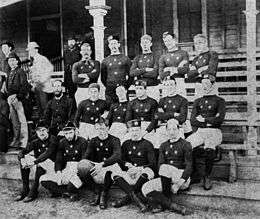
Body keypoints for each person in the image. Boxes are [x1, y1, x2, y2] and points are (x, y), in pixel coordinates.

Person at [141, 119, 192, 215]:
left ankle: (162, 203)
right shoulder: (164, 145)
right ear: (166, 131)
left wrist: (179, 183)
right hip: (166, 180)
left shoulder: (185, 144)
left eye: (174, 129)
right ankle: (173, 206)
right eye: (169, 129)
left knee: (165, 168)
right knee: (145, 188)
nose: (171, 132)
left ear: (179, 130)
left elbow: (189, 166)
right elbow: (160, 165)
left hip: (181, 178)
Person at [186, 75, 226, 190]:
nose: (205, 87)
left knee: (210, 146)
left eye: (207, 84)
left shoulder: (220, 101)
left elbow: (220, 119)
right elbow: (193, 120)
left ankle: (207, 176)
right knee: (187, 145)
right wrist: (209, 122)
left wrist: (204, 119)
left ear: (213, 85)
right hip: (201, 131)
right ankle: (194, 173)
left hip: (215, 131)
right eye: (203, 84)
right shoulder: (198, 101)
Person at [111, 119, 156, 212]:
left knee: (148, 172)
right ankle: (137, 199)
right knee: (114, 174)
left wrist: (139, 169)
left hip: (142, 172)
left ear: (140, 130)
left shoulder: (148, 144)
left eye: (137, 130)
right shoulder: (126, 144)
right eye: (132, 130)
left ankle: (126, 199)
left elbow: (152, 163)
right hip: (130, 172)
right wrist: (127, 166)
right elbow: (120, 160)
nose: (134, 133)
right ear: (129, 131)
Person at [78, 117, 121, 209]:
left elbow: (117, 155)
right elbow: (86, 155)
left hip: (109, 165)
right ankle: (96, 190)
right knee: (82, 165)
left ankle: (104, 195)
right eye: (97, 129)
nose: (100, 131)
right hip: (97, 166)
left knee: (111, 169)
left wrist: (102, 164)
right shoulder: (93, 140)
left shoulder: (115, 140)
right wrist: (83, 164)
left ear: (108, 128)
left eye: (102, 128)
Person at [40, 122, 88, 201]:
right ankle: (68, 192)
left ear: (75, 131)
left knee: (72, 184)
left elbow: (84, 161)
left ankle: (66, 191)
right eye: (66, 133)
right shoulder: (62, 142)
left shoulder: (83, 141)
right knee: (43, 180)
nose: (68, 136)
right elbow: (59, 160)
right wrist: (58, 172)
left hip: (78, 170)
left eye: (70, 133)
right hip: (66, 169)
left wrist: (77, 174)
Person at [15, 120, 58, 202]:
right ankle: (25, 189)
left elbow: (47, 154)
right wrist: (21, 158)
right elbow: (23, 151)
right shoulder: (35, 140)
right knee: (24, 159)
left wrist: (35, 162)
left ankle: (33, 191)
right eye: (39, 130)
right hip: (39, 162)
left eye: (43, 130)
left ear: (47, 130)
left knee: (39, 166)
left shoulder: (53, 139)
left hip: (52, 165)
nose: (41, 133)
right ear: (36, 131)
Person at [154, 77, 189, 148]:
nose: (169, 87)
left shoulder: (182, 100)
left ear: (175, 86)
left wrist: (166, 116)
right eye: (167, 85)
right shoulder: (162, 100)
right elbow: (158, 115)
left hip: (178, 126)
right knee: (157, 142)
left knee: (178, 146)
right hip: (164, 126)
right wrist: (173, 114)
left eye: (171, 84)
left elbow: (182, 118)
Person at [6, 52, 30, 148]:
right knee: (14, 121)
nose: (11, 62)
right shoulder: (10, 73)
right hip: (11, 99)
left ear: (17, 61)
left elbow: (25, 86)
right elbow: (8, 87)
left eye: (13, 60)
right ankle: (16, 140)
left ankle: (23, 141)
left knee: (22, 120)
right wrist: (9, 97)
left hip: (19, 99)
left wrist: (18, 96)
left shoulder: (20, 71)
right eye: (9, 61)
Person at [101, 35, 132, 104]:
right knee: (111, 109)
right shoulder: (105, 61)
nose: (113, 46)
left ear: (118, 45)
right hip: (110, 91)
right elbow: (103, 78)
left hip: (122, 89)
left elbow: (131, 75)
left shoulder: (125, 59)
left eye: (115, 43)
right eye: (111, 44)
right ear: (109, 46)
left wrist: (125, 87)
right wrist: (109, 86)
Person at [125, 80, 158, 144]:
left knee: (151, 142)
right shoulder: (131, 103)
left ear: (145, 89)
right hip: (134, 127)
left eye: (141, 88)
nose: (138, 91)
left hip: (148, 128)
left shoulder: (153, 102)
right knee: (125, 141)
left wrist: (146, 131)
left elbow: (154, 120)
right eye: (137, 88)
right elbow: (128, 119)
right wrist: (132, 130)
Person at [130, 34, 159, 101]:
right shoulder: (137, 58)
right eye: (143, 43)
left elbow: (154, 73)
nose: (144, 45)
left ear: (151, 44)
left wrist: (139, 72)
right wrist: (145, 69)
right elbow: (131, 73)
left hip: (152, 87)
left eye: (146, 42)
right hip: (140, 88)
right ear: (140, 44)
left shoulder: (155, 57)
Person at [159, 32, 189, 96]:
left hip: (179, 81)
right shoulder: (163, 56)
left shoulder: (183, 53)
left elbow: (185, 69)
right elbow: (161, 74)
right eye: (165, 41)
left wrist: (170, 69)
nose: (167, 43)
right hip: (167, 82)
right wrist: (178, 68)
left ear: (174, 40)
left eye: (169, 40)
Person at [27, 41, 53, 114]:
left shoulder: (42, 59)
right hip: (37, 85)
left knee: (44, 105)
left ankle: (47, 122)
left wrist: (42, 80)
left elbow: (50, 69)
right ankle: (41, 122)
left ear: (36, 50)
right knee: (39, 105)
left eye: (31, 50)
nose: (30, 52)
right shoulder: (34, 60)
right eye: (29, 50)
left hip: (43, 86)